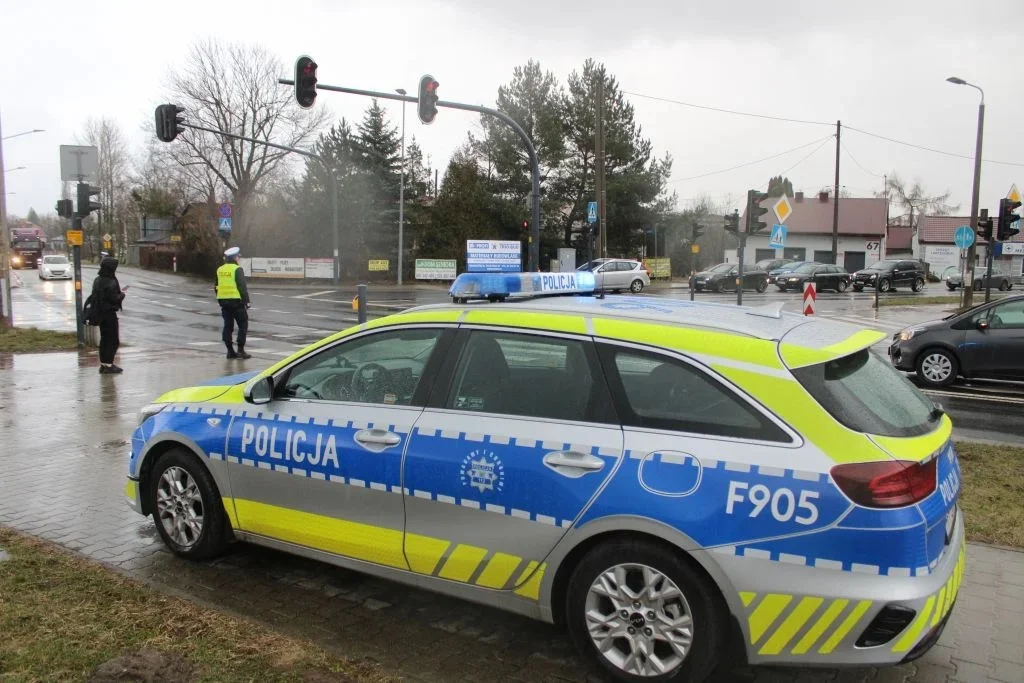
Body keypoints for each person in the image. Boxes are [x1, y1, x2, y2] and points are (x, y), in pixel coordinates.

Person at [92, 256, 127, 374]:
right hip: (109, 314)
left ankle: (103, 365)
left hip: (100, 314)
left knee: (104, 340)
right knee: (113, 341)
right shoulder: (111, 281)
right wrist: (122, 295)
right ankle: (109, 365)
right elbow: (114, 298)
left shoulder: (97, 280)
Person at [216, 246, 251, 359]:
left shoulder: (220, 269)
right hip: (237, 303)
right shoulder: (237, 269)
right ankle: (240, 350)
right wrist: (247, 302)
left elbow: (216, 286)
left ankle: (230, 351)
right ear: (235, 258)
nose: (238, 259)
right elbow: (242, 287)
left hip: (224, 304)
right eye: (238, 257)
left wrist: (220, 299)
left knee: (228, 326)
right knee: (243, 325)